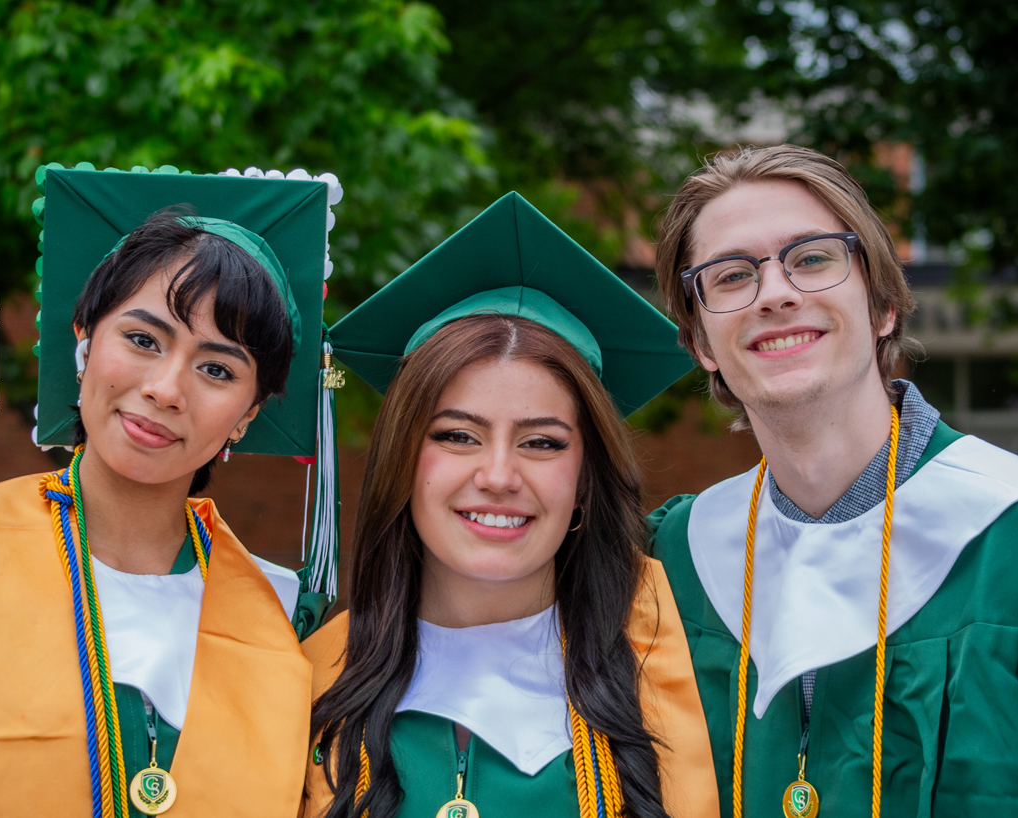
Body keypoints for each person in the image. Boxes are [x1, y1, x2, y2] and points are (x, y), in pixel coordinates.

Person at [0, 165, 340, 817]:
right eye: (142, 339)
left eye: (216, 368)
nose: (166, 389)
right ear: (83, 339)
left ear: (250, 412)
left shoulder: (283, 620)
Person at [305, 192, 718, 818]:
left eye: (542, 443)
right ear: (402, 461)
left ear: (585, 479)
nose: (499, 475)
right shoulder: (305, 679)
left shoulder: (678, 647)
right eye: (457, 436)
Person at [648, 144, 1018, 816]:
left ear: (883, 306)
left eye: (813, 258)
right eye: (731, 276)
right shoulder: (670, 561)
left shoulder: (1006, 532)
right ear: (701, 342)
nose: (777, 293)